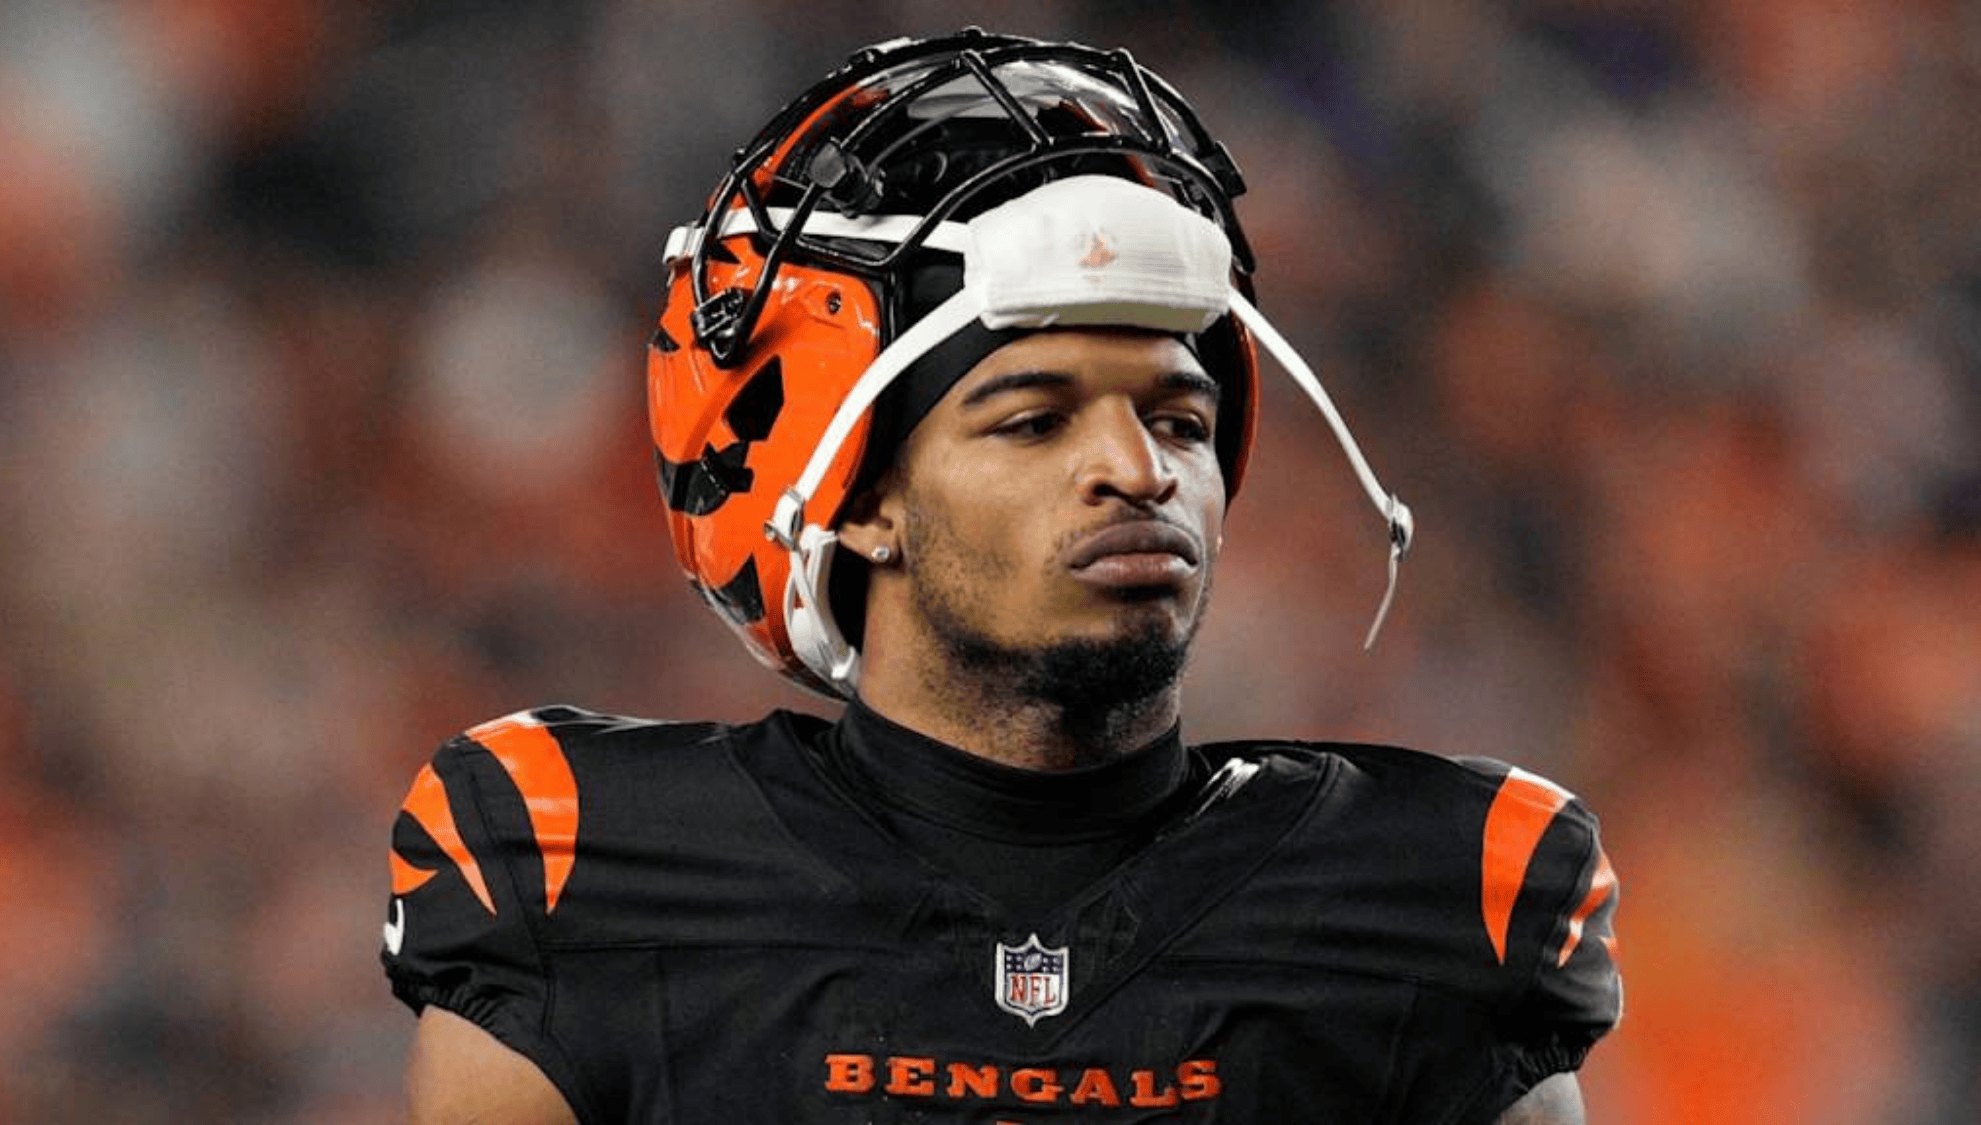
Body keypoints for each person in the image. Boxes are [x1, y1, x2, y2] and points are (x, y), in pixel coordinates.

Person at [381, 30, 1622, 1124]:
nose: (1137, 471)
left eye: (1181, 422)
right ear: (858, 499)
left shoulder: (1437, 900)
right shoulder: (574, 873)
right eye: (1033, 421)